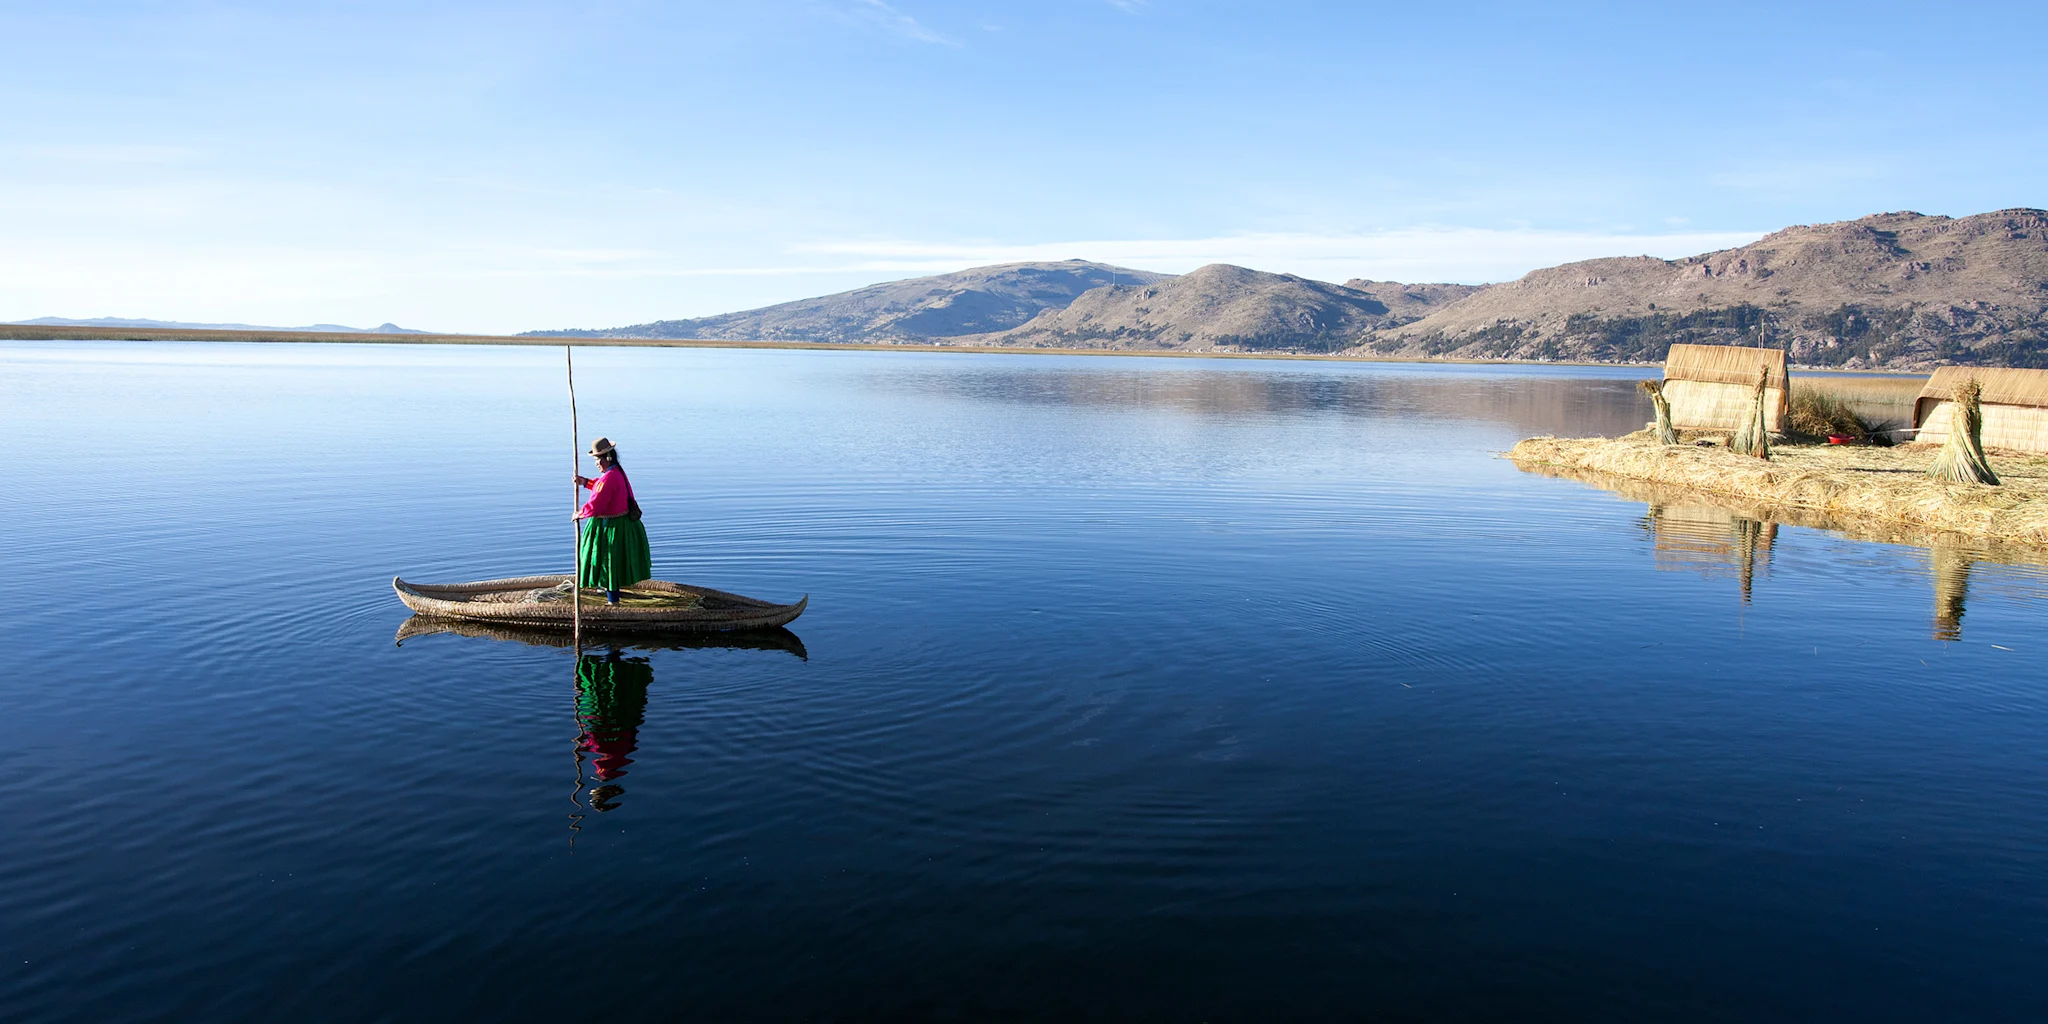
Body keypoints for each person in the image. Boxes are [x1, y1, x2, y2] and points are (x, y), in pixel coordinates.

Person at [573, 437, 653, 604]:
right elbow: (601, 488)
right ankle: (611, 596)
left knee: (608, 563)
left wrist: (579, 514)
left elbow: (597, 503)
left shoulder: (609, 478)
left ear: (607, 458)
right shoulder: (617, 472)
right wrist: (586, 482)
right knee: (613, 565)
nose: (596, 463)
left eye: (598, 460)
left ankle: (613, 602)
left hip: (611, 528)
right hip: (623, 524)